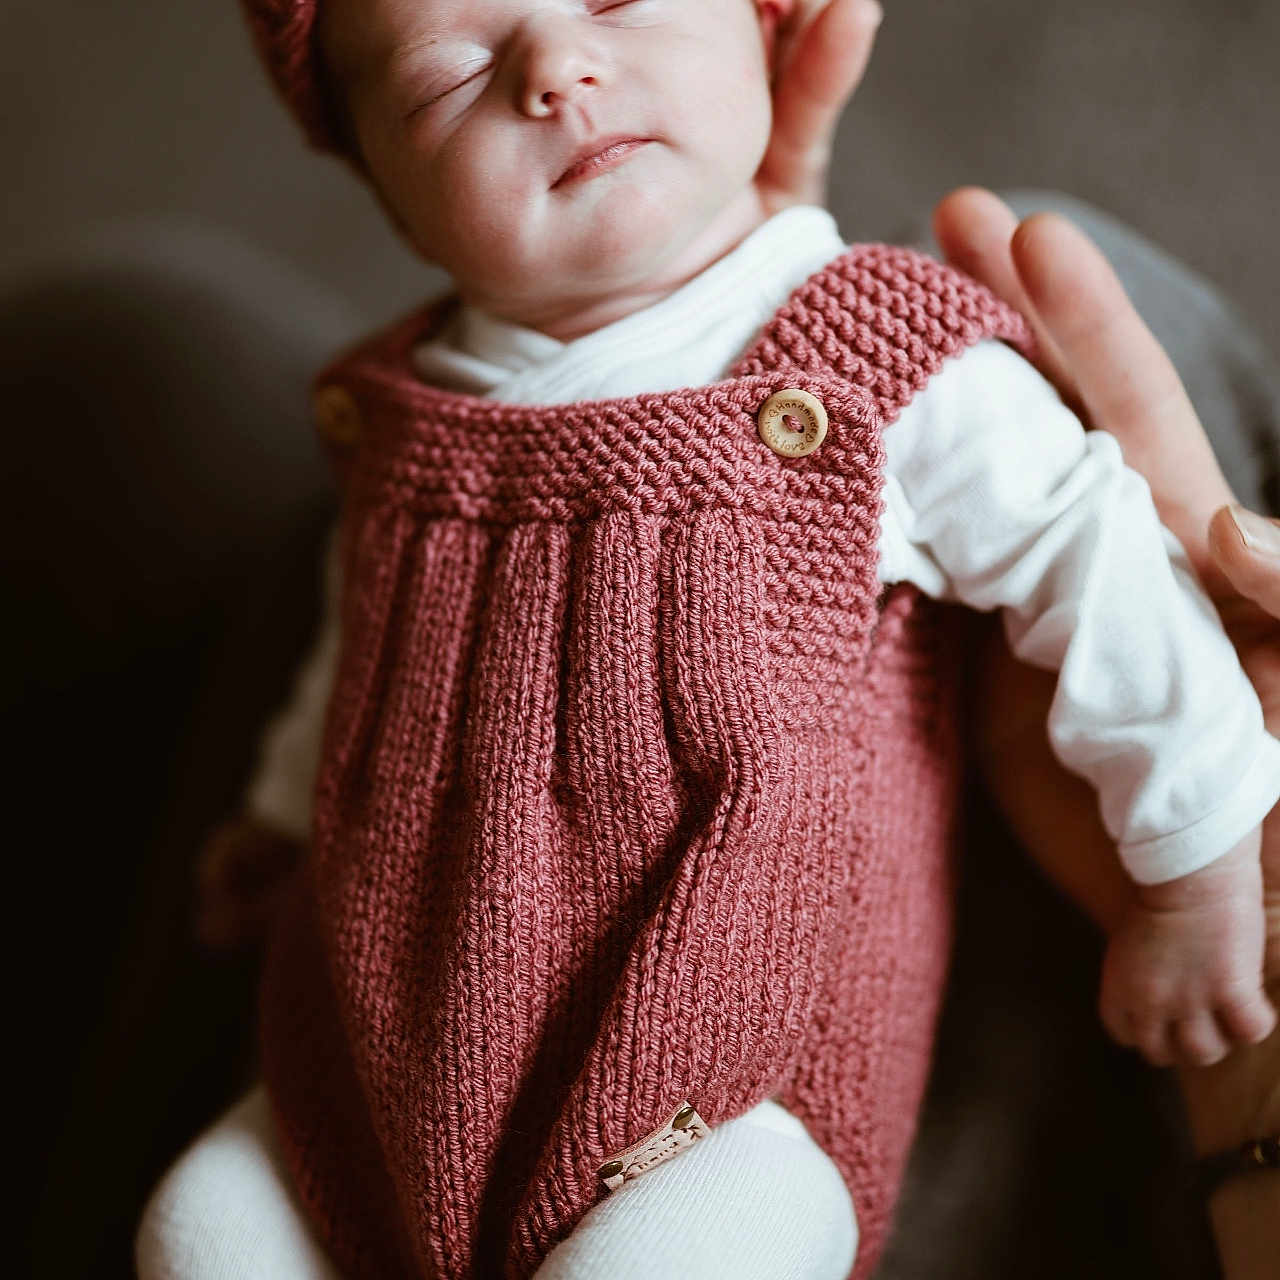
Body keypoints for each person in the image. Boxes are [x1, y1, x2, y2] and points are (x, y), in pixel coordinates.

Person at [137, 0, 1280, 1277]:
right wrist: (280, 811)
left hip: (733, 1084)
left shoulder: (869, 358)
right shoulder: (399, 417)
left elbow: (1109, 567)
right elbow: (356, 655)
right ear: (388, 193)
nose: (555, 67)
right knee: (199, 1227)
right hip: (387, 1033)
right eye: (442, 73)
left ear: (767, 25)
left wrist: (1192, 867)